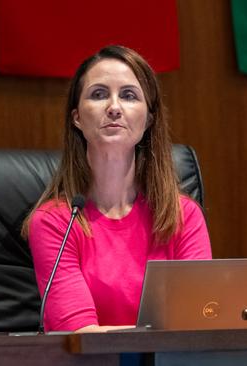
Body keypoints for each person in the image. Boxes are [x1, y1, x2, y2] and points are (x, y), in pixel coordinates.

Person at [22, 45, 212, 332]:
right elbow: (80, 336)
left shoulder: (184, 215)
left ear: (148, 119)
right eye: (98, 94)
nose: (113, 107)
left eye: (128, 95)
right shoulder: (54, 222)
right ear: (76, 118)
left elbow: (202, 322)